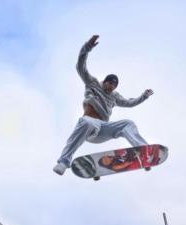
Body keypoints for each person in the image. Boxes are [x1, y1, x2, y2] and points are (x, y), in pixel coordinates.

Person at [53, 35, 154, 175]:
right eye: (110, 83)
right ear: (105, 81)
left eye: (114, 85)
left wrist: (143, 96)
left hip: (104, 128)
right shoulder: (92, 83)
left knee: (128, 124)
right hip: (89, 127)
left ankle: (144, 152)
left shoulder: (115, 96)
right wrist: (86, 48)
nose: (112, 87)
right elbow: (80, 67)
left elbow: (129, 103)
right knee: (87, 122)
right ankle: (64, 161)